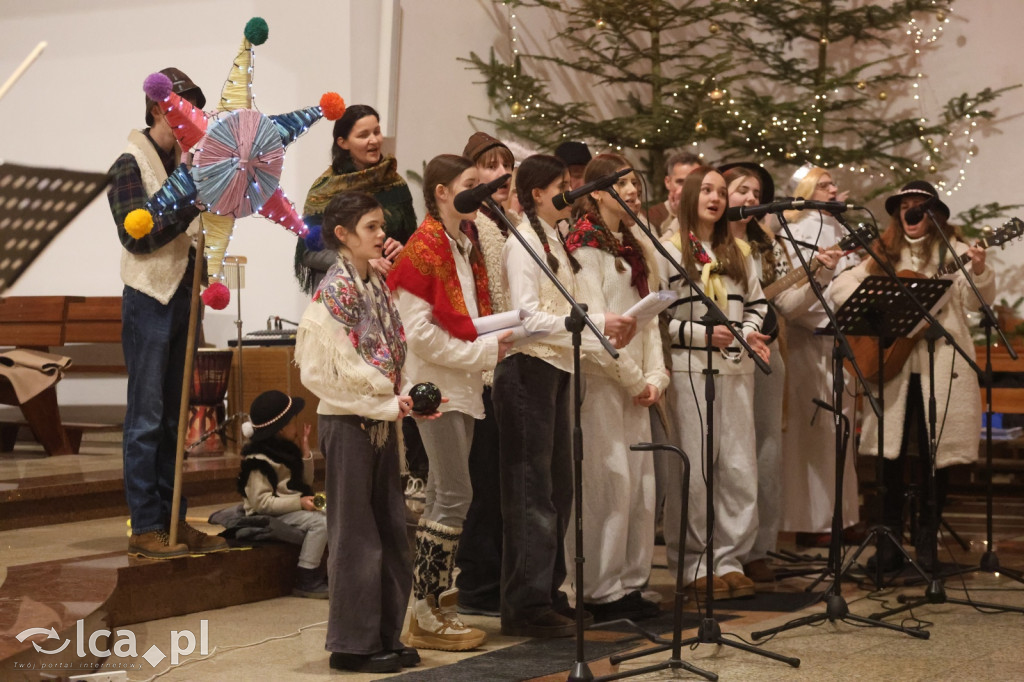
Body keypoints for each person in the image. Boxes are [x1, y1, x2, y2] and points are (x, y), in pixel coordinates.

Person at [494, 154, 636, 638]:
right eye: (561, 185)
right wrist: (588, 324)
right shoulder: (523, 241)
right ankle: (525, 604)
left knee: (557, 488)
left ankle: (550, 592)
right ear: (536, 193)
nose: (570, 191)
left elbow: (572, 305)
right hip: (526, 371)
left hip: (555, 368)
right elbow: (525, 317)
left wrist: (598, 324)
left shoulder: (554, 236)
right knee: (533, 492)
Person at [294, 190, 432, 674]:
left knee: (392, 530)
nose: (381, 235)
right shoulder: (335, 289)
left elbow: (394, 347)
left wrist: (407, 392)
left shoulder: (375, 281)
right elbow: (322, 367)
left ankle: (383, 634)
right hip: (350, 423)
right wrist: (384, 398)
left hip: (379, 418)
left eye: (381, 226)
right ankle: (352, 644)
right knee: (356, 535)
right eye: (371, 227)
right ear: (343, 235)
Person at [831, 180, 993, 570]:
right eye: (906, 205)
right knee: (892, 455)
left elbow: (976, 303)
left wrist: (980, 270)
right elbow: (840, 289)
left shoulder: (952, 251)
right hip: (895, 369)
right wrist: (881, 297)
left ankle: (926, 541)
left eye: (920, 205)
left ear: (933, 212)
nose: (912, 211)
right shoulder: (883, 252)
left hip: (941, 367)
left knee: (934, 455)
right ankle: (887, 540)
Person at [387, 154, 512, 651]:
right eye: (469, 185)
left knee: (446, 493)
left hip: (462, 383)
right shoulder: (423, 248)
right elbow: (416, 334)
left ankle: (433, 606)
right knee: (454, 494)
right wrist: (482, 352)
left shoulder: (466, 244)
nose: (479, 195)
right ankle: (425, 607)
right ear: (441, 191)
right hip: (434, 387)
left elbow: (466, 317)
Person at [108, 66, 228, 559]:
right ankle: (146, 526)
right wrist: (189, 191)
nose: (192, 118)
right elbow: (139, 236)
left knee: (177, 417)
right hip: (148, 299)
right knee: (147, 417)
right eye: (184, 107)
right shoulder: (128, 163)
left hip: (183, 297)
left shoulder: (187, 161)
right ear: (160, 108)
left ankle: (174, 519)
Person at [719, 162, 841, 583]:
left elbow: (784, 305)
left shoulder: (766, 243)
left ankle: (758, 549)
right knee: (728, 456)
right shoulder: (706, 244)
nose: (751, 199)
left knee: (767, 454)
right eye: (742, 190)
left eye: (756, 193)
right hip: (721, 354)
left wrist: (820, 272)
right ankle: (723, 553)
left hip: (769, 352)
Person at [657, 165, 771, 601]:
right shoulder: (668, 250)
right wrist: (706, 335)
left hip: (736, 369)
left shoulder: (737, 249)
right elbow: (660, 321)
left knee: (739, 467)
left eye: (721, 192)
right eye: (706, 190)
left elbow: (759, 304)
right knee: (697, 470)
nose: (716, 198)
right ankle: (693, 563)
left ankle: (729, 557)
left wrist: (747, 329)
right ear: (688, 197)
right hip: (690, 370)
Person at [564, 152, 668, 621]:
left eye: (635, 186)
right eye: (623, 185)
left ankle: (630, 581)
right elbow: (596, 325)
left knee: (641, 487)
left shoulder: (634, 243)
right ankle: (599, 587)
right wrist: (631, 377)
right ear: (598, 192)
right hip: (604, 382)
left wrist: (656, 377)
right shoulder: (585, 246)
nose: (632, 194)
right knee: (608, 484)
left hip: (636, 384)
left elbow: (648, 319)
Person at [777, 166, 862, 547]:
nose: (833, 190)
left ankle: (837, 515)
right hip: (805, 343)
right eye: (824, 184)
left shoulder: (839, 228)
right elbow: (795, 295)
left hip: (837, 342)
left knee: (837, 433)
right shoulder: (797, 230)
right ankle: (809, 521)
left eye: (833, 184)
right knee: (810, 436)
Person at [453, 132, 516, 618]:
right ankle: (476, 582)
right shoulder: (475, 227)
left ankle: (498, 576)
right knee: (481, 482)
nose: (501, 174)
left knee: (503, 482)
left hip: (509, 362)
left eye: (506, 166)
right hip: (481, 365)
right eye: (489, 166)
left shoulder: (508, 223)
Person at [294, 104, 416, 294]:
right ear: (343, 142)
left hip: (391, 292)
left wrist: (403, 249)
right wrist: (358, 261)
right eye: (363, 135)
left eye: (377, 132)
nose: (374, 140)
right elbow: (310, 252)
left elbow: (411, 239)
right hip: (343, 292)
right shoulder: (325, 189)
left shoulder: (395, 183)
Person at [237, 390, 327, 599]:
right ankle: (307, 575)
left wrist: (305, 455)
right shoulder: (258, 460)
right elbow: (262, 503)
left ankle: (330, 568)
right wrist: (300, 502)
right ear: (280, 428)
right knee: (320, 523)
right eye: (292, 422)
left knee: (334, 510)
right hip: (268, 515)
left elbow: (303, 484)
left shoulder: (283, 451)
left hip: (288, 506)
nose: (296, 426)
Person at [647, 151, 702, 238]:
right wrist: (680, 217)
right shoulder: (652, 216)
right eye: (680, 182)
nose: (686, 188)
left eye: (693, 182)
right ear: (668, 182)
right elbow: (656, 251)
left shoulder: (708, 212)